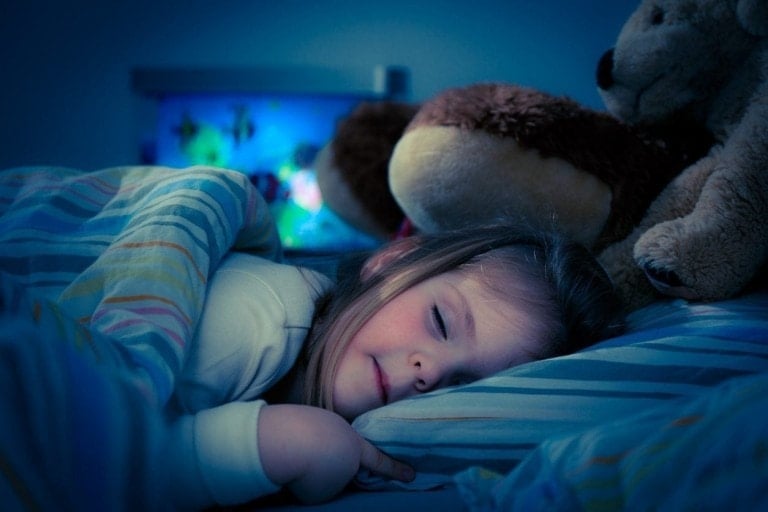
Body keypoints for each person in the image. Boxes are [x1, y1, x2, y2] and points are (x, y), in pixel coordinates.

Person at [0, 223, 625, 511]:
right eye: (439, 322)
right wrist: (266, 443)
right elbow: (83, 455)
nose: (428, 371)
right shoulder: (255, 318)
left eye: (465, 383)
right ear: (393, 263)